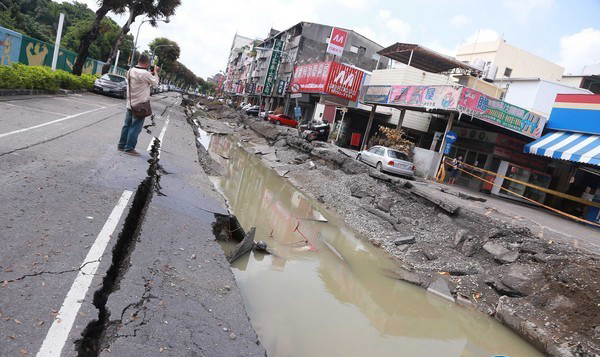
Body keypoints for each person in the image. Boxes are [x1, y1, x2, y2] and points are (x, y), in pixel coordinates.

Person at [118, 54, 159, 156]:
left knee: (126, 125)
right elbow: (156, 84)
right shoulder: (146, 74)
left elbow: (140, 77)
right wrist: (156, 73)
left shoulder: (130, 71)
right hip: (140, 106)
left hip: (130, 103)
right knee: (135, 127)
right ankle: (129, 148)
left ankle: (121, 145)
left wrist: (149, 74)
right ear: (146, 63)